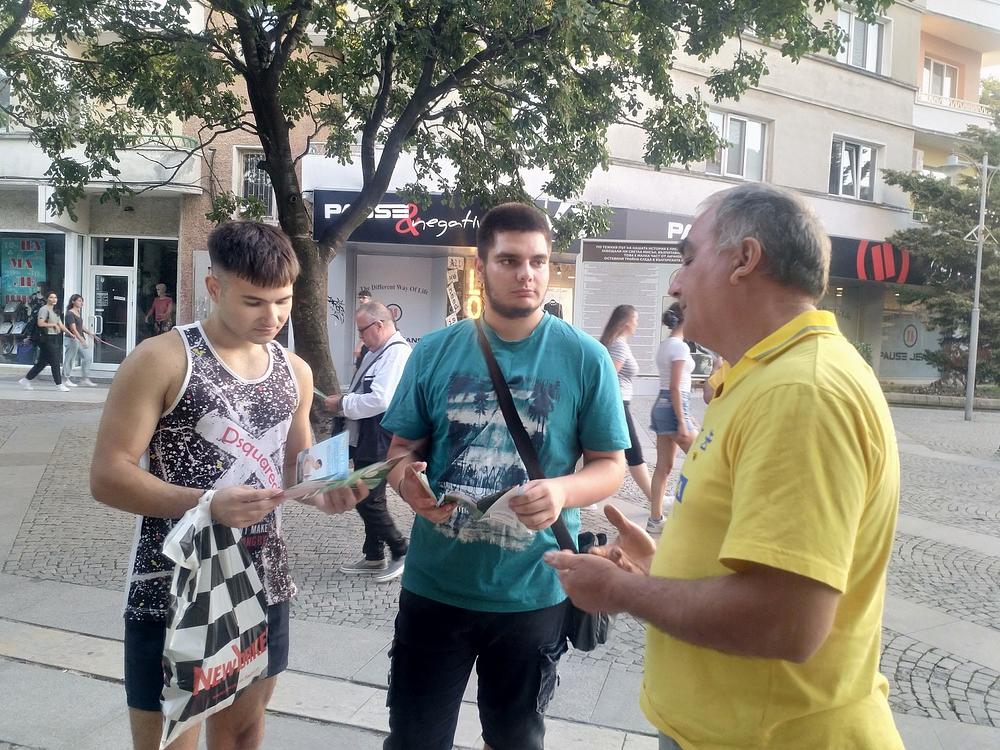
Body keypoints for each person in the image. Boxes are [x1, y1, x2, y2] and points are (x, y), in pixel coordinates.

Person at [546, 184, 903, 750]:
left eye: (688, 258)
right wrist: (662, 571)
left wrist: (622, 593)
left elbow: (788, 618)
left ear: (745, 259)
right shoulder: (759, 376)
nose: (675, 282)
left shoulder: (801, 392)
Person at [89, 221, 369, 750]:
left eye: (283, 301)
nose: (273, 317)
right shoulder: (162, 359)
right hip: (173, 580)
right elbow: (108, 475)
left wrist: (329, 492)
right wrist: (206, 504)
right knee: (171, 738)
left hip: (264, 577)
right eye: (254, 302)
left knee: (243, 732)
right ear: (214, 289)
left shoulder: (295, 370)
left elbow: (297, 470)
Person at [380, 202, 629, 750]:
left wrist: (563, 490)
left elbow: (610, 465)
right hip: (435, 587)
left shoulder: (585, 358)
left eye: (539, 261)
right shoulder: (435, 352)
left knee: (516, 740)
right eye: (511, 261)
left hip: (533, 592)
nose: (527, 275)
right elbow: (399, 450)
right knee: (414, 739)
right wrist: (408, 486)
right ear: (481, 263)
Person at [323, 301, 412, 583]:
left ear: (380, 326)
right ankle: (374, 554)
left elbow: (381, 399)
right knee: (370, 495)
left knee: (365, 497)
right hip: (368, 436)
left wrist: (343, 404)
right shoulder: (378, 351)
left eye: (363, 330)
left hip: (381, 437)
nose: (360, 336)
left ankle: (401, 548)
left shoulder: (396, 353)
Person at [599, 304, 655, 512]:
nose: (637, 324)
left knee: (602, 449)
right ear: (626, 322)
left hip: (618, 403)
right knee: (634, 452)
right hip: (619, 403)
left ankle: (586, 499)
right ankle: (653, 497)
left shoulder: (613, 343)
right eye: (635, 319)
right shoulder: (619, 346)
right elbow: (610, 377)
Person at [646, 302, 696, 533]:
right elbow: (676, 387)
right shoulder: (681, 348)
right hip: (675, 406)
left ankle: (655, 519)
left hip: (662, 405)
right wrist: (683, 421)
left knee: (663, 467)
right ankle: (694, 514)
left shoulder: (666, 345)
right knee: (703, 459)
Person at [19, 291, 71, 392]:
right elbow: (40, 323)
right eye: (51, 297)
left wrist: (70, 333)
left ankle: (26, 380)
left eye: (55, 297)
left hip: (53, 337)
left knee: (42, 362)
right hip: (45, 338)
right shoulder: (44, 309)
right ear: (47, 299)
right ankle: (59, 384)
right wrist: (52, 325)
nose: (54, 299)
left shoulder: (55, 310)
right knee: (55, 361)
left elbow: (60, 324)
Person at [63, 293, 97, 387]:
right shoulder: (70, 313)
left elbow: (80, 326)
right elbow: (73, 329)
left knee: (88, 357)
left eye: (82, 301)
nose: (81, 303)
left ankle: (85, 379)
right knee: (69, 359)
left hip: (79, 338)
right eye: (79, 301)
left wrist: (90, 333)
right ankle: (65, 379)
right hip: (72, 339)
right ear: (73, 301)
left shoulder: (78, 312)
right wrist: (81, 339)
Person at [352, 288, 373, 369]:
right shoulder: (361, 311)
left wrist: (358, 347)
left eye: (364, 298)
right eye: (359, 297)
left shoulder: (369, 312)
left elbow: (366, 331)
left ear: (369, 299)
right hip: (366, 343)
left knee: (362, 368)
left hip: (368, 344)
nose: (361, 300)